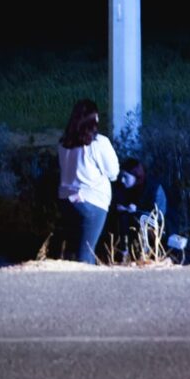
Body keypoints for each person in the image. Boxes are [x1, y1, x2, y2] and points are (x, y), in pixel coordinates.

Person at [57, 99, 120, 264]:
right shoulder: (98, 143)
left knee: (74, 251)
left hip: (67, 201)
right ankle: (86, 288)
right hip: (92, 201)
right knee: (86, 254)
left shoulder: (63, 144)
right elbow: (113, 173)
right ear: (94, 118)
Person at [108, 157, 167, 259]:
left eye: (126, 177)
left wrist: (138, 211)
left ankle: (145, 254)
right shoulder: (121, 188)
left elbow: (159, 216)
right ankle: (121, 252)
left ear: (136, 176)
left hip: (152, 228)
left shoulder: (154, 188)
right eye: (121, 177)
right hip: (127, 229)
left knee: (141, 218)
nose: (122, 180)